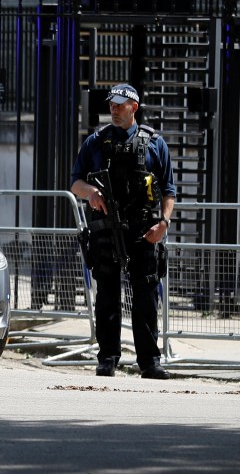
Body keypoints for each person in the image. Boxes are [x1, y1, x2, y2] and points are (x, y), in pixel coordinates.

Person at [70, 84, 176, 380]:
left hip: (145, 230)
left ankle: (149, 362)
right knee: (107, 295)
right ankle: (107, 358)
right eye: (111, 105)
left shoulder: (155, 144)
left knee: (145, 296)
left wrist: (163, 224)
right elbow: (75, 182)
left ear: (134, 108)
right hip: (106, 228)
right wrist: (90, 192)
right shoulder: (95, 142)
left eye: (119, 105)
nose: (113, 109)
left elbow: (169, 191)